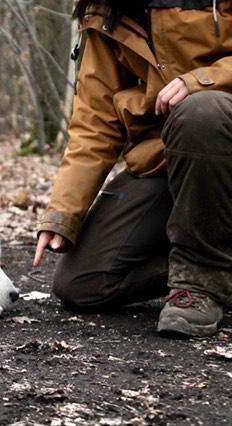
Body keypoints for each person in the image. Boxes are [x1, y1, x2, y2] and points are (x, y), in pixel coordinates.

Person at [33, 0, 232, 338]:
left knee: (200, 113)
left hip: (218, 139)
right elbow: (95, 121)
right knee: (82, 284)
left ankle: (200, 284)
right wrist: (63, 213)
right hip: (166, 157)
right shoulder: (107, 9)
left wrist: (202, 81)